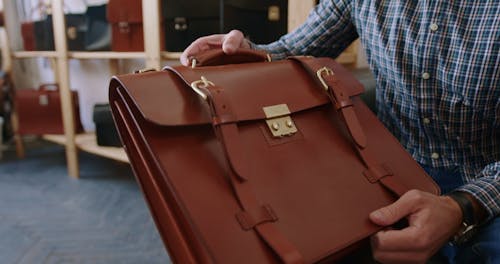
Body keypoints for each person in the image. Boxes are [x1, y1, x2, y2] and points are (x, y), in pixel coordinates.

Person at [180, 1, 499, 263]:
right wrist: (245, 53)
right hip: (387, 167)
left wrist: (463, 204)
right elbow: (293, 51)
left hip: (487, 179)